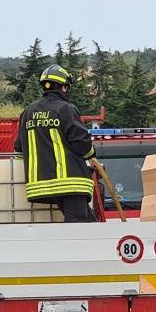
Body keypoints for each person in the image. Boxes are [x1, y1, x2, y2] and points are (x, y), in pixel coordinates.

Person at [13, 64, 97, 222]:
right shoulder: (66, 109)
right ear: (64, 87)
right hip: (71, 183)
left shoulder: (28, 112)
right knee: (79, 227)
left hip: (40, 185)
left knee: (89, 223)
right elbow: (83, 145)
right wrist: (92, 154)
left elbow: (19, 147)